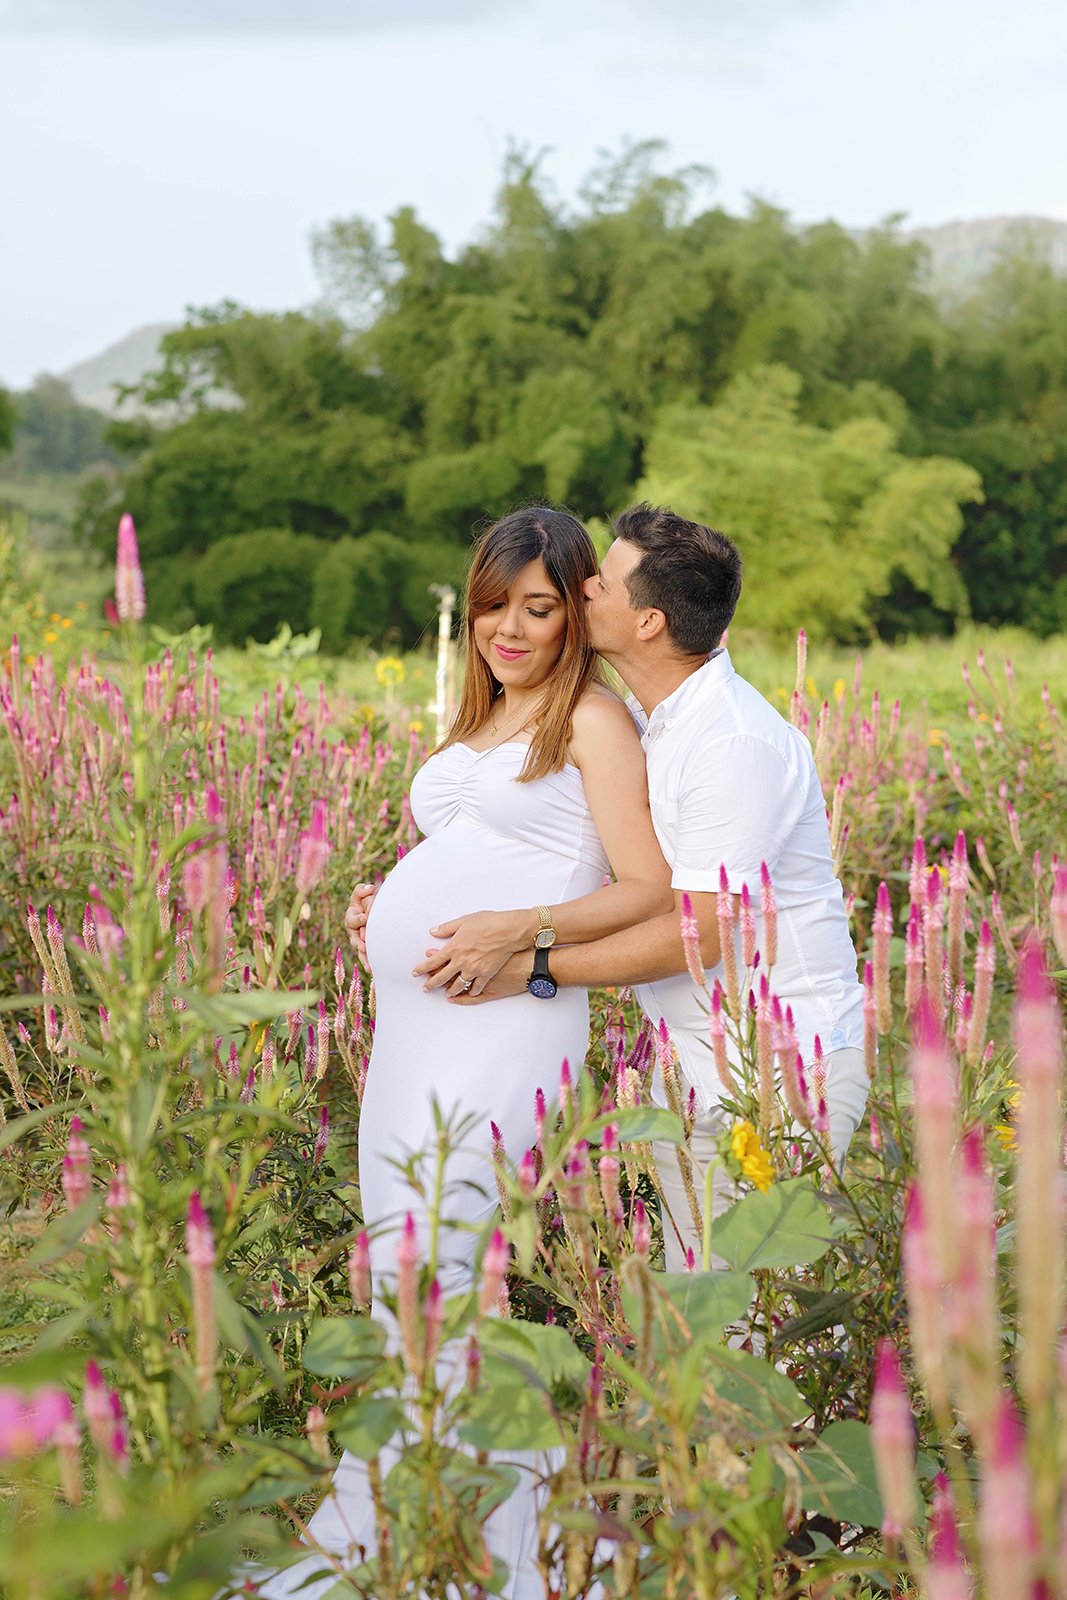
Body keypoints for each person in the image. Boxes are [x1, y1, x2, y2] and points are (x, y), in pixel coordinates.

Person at [255, 506, 672, 1600]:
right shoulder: (484, 716)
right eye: (493, 605)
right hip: (411, 1033)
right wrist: (381, 907)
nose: (508, 627)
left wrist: (516, 932)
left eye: (536, 607)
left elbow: (642, 886)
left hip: (508, 1026)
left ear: (575, 607)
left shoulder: (590, 719)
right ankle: (429, 1517)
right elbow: (466, 849)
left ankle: (503, 1547)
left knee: (448, 1262)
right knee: (407, 1272)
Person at [399, 503, 869, 1274]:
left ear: (647, 622)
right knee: (707, 1321)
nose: (583, 587)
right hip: (696, 1066)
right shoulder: (658, 722)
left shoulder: (730, 743)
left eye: (602, 583)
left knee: (777, 1327)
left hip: (784, 1071)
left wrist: (534, 962)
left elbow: (703, 932)